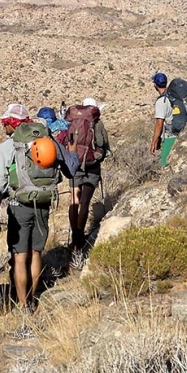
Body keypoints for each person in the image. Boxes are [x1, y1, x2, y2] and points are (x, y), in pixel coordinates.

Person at [0, 104, 78, 310]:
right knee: (36, 253)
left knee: (20, 256)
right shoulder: (47, 140)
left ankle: (22, 305)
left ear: (12, 124)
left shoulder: (8, 146)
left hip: (18, 205)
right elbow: (71, 170)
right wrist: (72, 152)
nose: (4, 127)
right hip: (44, 202)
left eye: (5, 123)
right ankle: (32, 299)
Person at [66, 98, 109, 259]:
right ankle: (79, 237)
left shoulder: (73, 121)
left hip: (74, 164)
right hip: (92, 166)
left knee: (74, 201)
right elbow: (103, 143)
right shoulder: (97, 123)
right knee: (84, 202)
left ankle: (74, 238)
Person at [150, 72, 176, 167]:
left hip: (169, 136)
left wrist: (154, 142)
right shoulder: (172, 96)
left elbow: (159, 124)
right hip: (179, 132)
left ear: (155, 85)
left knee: (165, 165)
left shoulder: (161, 101)